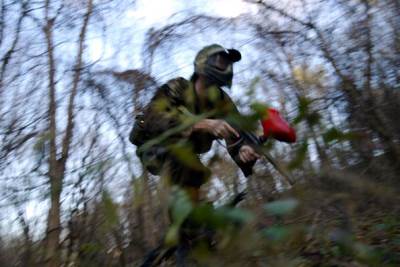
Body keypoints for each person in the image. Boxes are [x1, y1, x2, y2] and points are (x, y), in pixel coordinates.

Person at [130, 44, 260, 203]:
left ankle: (197, 216)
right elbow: (154, 119)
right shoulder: (178, 87)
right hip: (153, 146)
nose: (226, 68)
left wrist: (243, 151)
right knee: (183, 163)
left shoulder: (223, 102)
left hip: (186, 152)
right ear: (203, 63)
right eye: (221, 61)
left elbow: (237, 134)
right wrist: (201, 124)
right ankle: (187, 217)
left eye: (229, 64)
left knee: (196, 174)